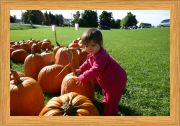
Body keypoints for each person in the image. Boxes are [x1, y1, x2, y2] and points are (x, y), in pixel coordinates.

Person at [74, 28, 127, 116]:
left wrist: (83, 77)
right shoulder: (92, 54)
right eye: (87, 46)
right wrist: (80, 69)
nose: (90, 48)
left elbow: (96, 70)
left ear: (100, 44)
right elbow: (87, 63)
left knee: (112, 98)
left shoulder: (102, 56)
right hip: (108, 80)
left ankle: (110, 113)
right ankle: (106, 102)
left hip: (117, 80)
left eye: (93, 45)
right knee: (106, 92)